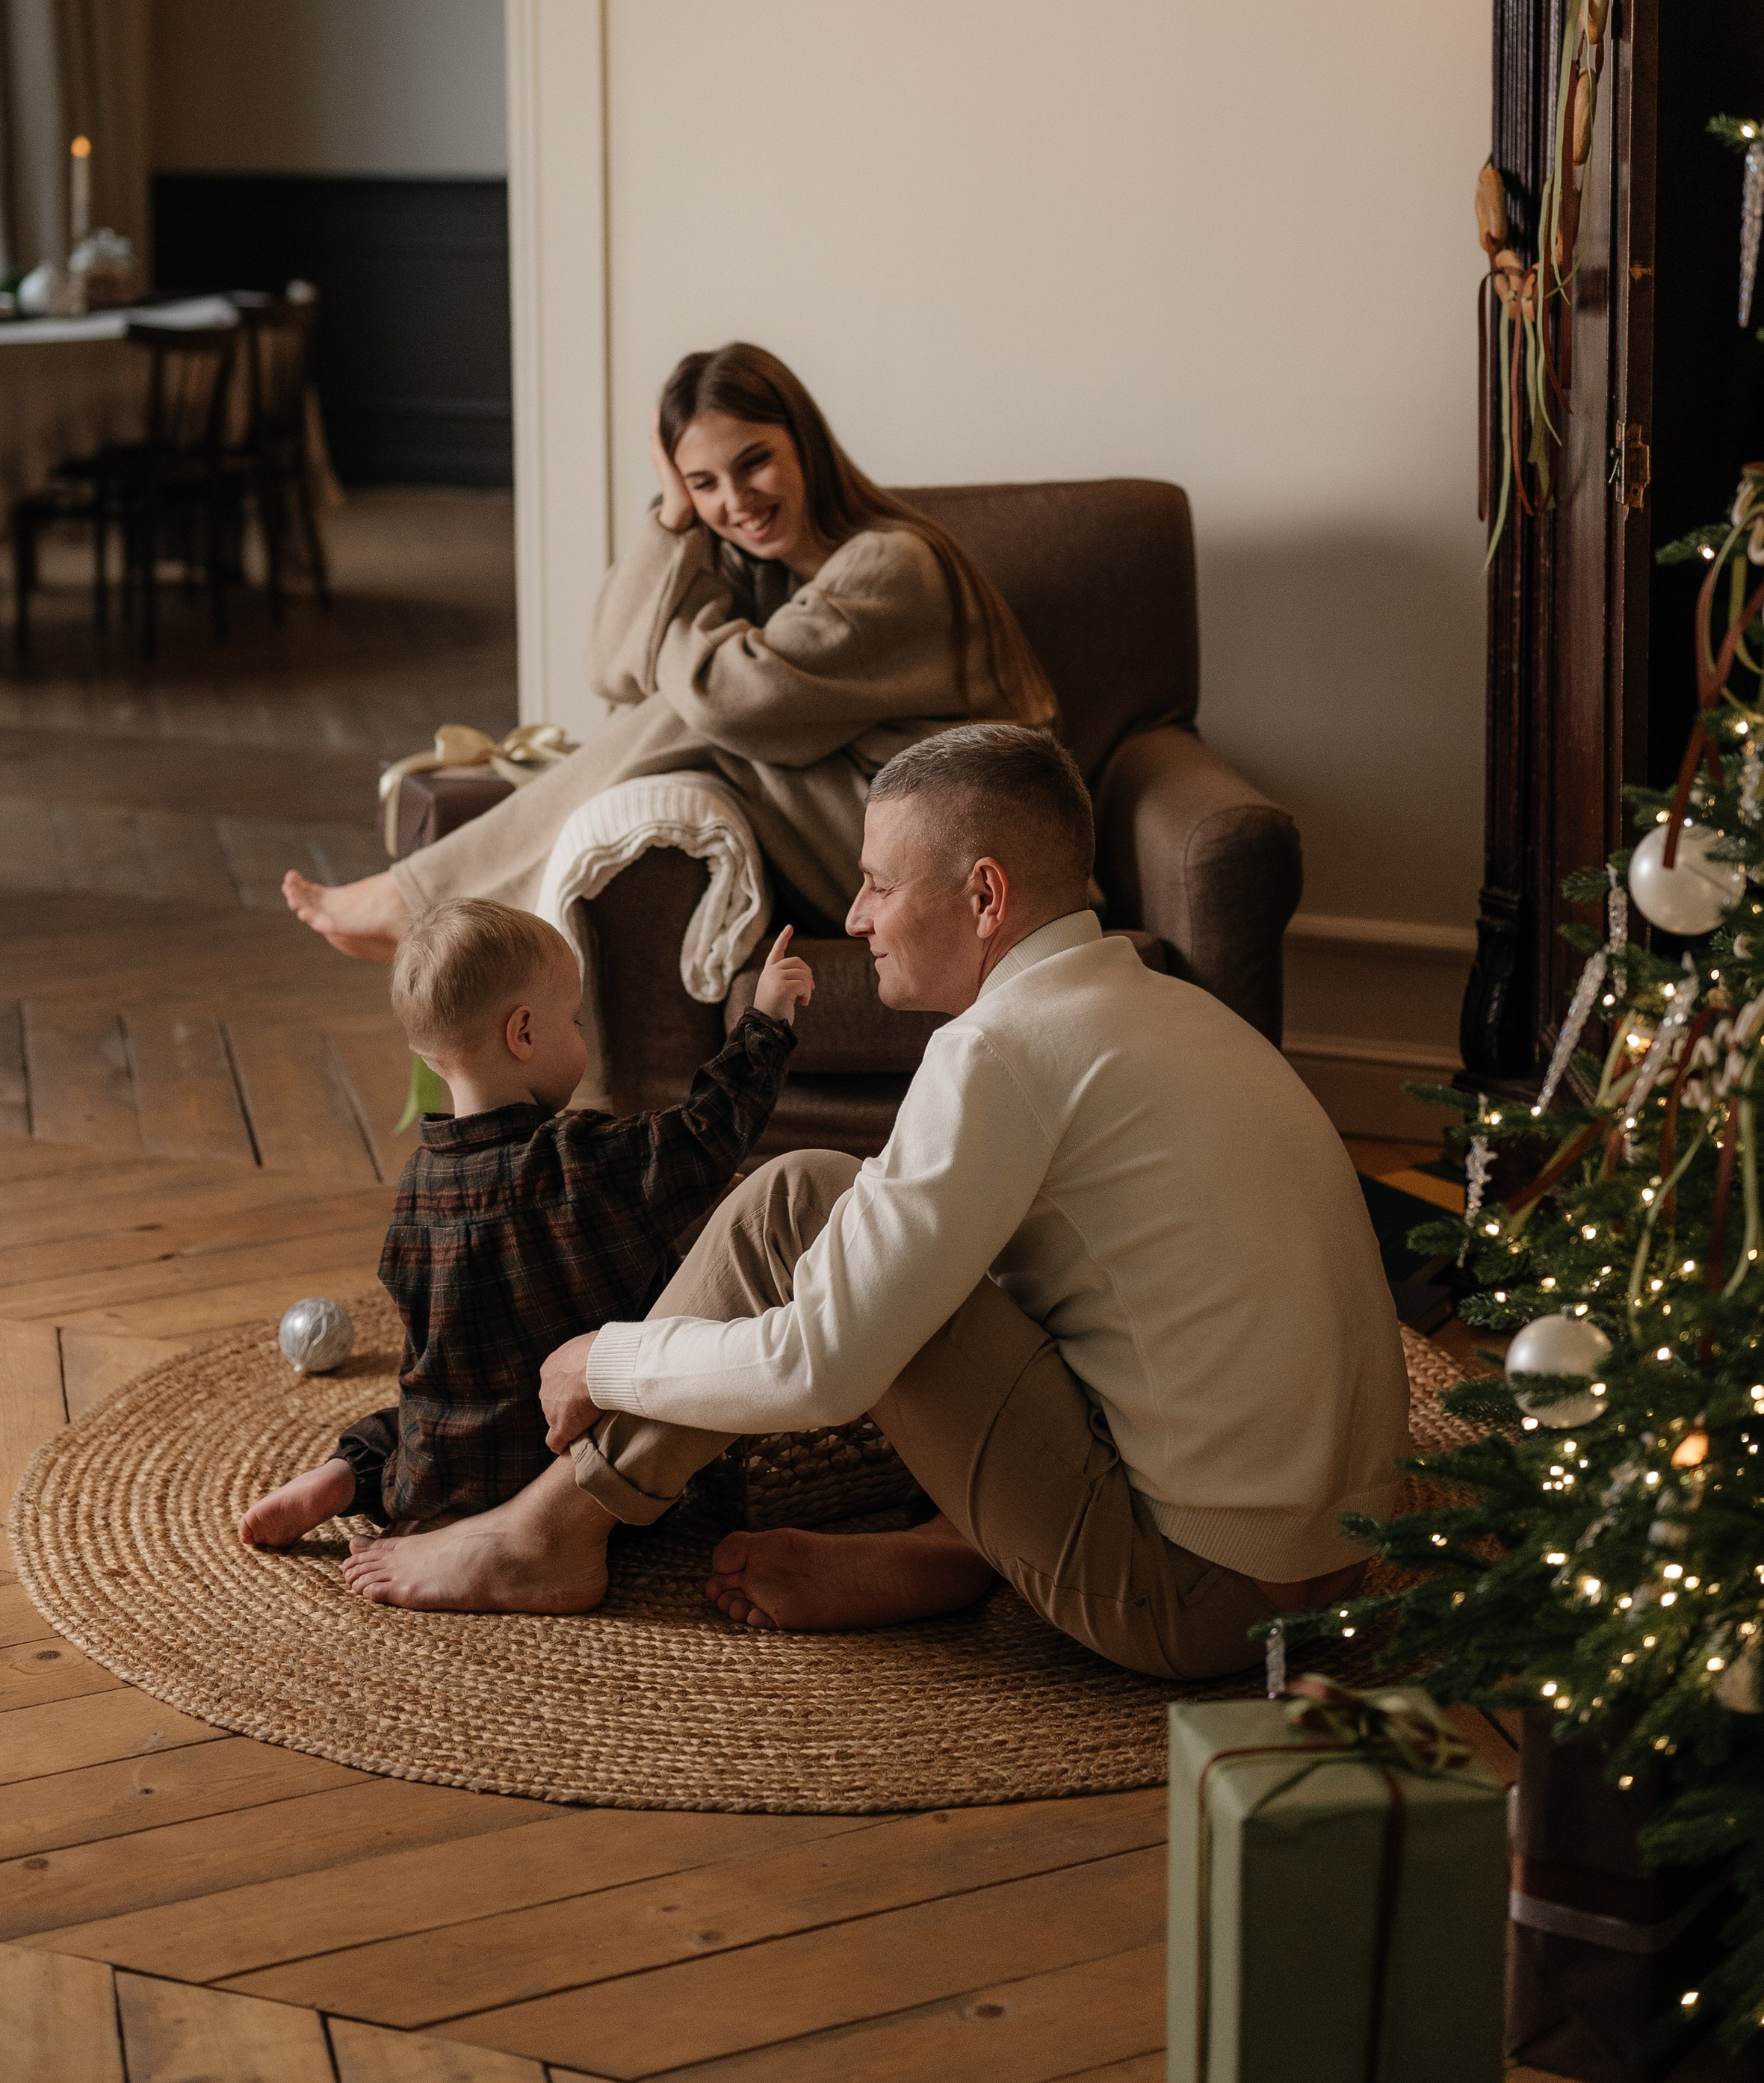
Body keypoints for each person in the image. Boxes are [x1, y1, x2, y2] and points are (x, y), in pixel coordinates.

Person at [335, 722, 1410, 1682]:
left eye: (878, 886)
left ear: (985, 897)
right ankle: (951, 1545)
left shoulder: (1000, 1049)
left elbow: (823, 1367)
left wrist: (601, 1358)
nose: (853, 919)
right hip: (1330, 1562)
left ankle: (548, 1531)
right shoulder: (1169, 1008)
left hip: (1193, 1599)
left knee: (798, 1202)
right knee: (881, 1229)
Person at [281, 342, 1056, 959]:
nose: (736, 502)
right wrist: (674, 518)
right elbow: (609, 667)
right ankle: (458, 920)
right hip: (875, 827)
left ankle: (425, 903)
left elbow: (726, 699)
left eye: (753, 461)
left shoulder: (891, 564)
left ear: (806, 443)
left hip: (961, 853)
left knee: (692, 712)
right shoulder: (760, 569)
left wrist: (692, 612)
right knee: (672, 707)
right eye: (703, 482)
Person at [238, 896, 813, 1554]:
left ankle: (345, 1478)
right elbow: (707, 1131)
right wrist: (765, 1021)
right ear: (524, 1034)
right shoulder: (584, 1159)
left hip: (444, 1474)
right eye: (574, 1021)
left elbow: (423, 1350)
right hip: (568, 1460)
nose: (581, 1036)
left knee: (399, 1426)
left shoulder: (417, 1185)